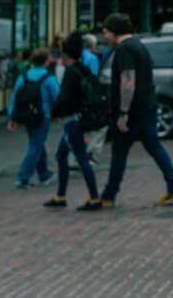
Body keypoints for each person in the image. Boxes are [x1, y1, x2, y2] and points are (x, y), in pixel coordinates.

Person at [98, 12, 173, 207]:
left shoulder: (124, 49)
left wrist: (123, 112)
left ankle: (109, 194)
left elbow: (128, 81)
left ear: (115, 31)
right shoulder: (140, 45)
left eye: (106, 31)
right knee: (155, 147)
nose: (104, 35)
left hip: (132, 111)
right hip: (147, 106)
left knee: (119, 152)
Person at [44, 32, 102, 211]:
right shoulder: (83, 69)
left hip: (72, 121)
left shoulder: (70, 73)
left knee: (81, 158)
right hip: (80, 118)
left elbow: (64, 99)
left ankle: (94, 197)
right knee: (62, 155)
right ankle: (60, 195)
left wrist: (53, 113)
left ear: (65, 55)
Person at [8, 48, 60, 190]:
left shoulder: (23, 76)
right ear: (46, 61)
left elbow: (15, 97)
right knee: (35, 146)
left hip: (26, 116)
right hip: (43, 116)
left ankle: (44, 174)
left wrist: (12, 117)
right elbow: (57, 97)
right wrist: (59, 114)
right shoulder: (48, 78)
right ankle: (22, 178)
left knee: (36, 143)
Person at [81, 33, 108, 163]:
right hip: (89, 96)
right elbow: (93, 78)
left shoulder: (77, 56)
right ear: (92, 45)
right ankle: (89, 154)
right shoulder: (92, 58)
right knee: (99, 126)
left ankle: (81, 154)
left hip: (78, 96)